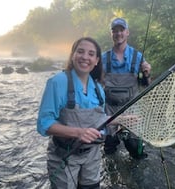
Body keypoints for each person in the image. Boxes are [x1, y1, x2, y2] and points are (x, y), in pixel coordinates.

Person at [37, 37, 107, 189]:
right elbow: (44, 123)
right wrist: (78, 132)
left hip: (92, 156)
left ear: (96, 60)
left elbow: (100, 119)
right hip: (64, 156)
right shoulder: (57, 82)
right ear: (73, 55)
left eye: (91, 54)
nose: (85, 57)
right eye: (80, 51)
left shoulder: (99, 89)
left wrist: (119, 120)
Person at [102, 17, 151, 159]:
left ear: (127, 32)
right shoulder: (103, 58)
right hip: (110, 111)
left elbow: (146, 85)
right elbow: (96, 87)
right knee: (109, 151)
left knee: (137, 152)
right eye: (114, 31)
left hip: (132, 110)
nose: (118, 33)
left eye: (121, 30)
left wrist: (147, 74)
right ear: (111, 34)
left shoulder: (138, 57)